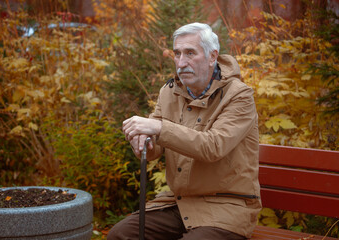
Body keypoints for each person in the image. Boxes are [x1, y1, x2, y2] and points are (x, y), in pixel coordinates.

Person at [108, 22, 262, 240]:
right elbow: (154, 149)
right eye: (177, 53)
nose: (181, 62)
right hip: (179, 202)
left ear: (212, 57)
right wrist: (142, 141)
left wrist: (159, 127)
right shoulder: (169, 92)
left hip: (228, 206)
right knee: (120, 235)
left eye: (190, 53)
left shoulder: (239, 96)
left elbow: (213, 147)